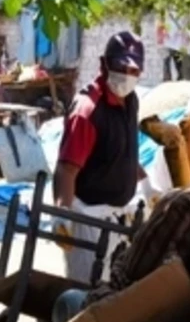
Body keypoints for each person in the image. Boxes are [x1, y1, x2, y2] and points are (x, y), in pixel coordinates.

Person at [54, 31, 147, 283]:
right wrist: (62, 213)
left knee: (113, 290)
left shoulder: (131, 101)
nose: (127, 76)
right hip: (89, 218)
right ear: (104, 64)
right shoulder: (87, 111)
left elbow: (121, 149)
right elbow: (67, 168)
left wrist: (146, 183)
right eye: (120, 68)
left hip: (117, 217)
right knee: (86, 291)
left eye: (134, 71)